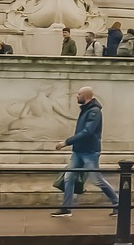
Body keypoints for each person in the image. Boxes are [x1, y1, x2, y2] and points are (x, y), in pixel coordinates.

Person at [51, 86, 119, 217]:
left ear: (86, 96)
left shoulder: (94, 112)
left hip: (89, 153)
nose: (77, 96)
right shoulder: (86, 110)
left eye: (79, 94)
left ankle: (118, 204)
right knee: (69, 177)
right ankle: (66, 208)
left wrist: (66, 142)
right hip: (78, 151)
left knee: (97, 180)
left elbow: (87, 132)